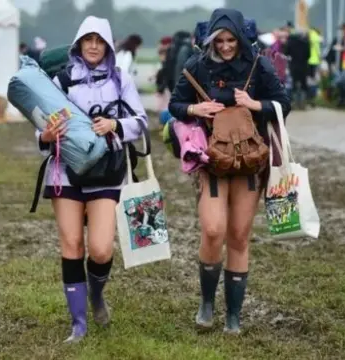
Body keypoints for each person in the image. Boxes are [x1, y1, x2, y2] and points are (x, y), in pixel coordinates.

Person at [168, 8, 291, 335]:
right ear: (209, 38)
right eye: (219, 40)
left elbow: (283, 103)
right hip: (211, 160)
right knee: (212, 230)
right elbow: (174, 105)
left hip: (250, 160)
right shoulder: (196, 65)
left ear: (240, 36)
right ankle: (207, 303)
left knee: (238, 235)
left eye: (230, 39)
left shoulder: (258, 64)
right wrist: (196, 108)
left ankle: (233, 315)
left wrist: (254, 105)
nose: (224, 46)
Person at [35, 15, 147, 343]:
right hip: (65, 173)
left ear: (109, 45)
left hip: (108, 174)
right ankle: (78, 322)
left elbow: (140, 121)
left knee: (99, 250)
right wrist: (46, 134)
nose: (94, 46)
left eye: (100, 41)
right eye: (88, 40)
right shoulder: (61, 80)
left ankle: (96, 296)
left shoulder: (120, 79)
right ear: (79, 44)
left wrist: (116, 126)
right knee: (71, 245)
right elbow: (38, 130)